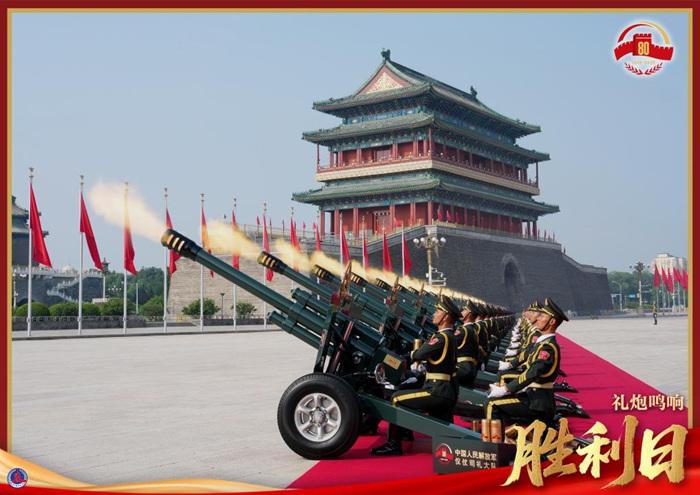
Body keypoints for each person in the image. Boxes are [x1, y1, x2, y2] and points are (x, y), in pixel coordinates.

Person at [371, 295, 460, 456]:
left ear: (446, 317)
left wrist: (406, 358)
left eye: (438, 311)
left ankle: (393, 444)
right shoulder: (451, 336)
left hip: (436, 390)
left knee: (397, 398)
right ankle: (405, 433)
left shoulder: (441, 338)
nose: (434, 314)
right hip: (446, 390)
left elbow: (418, 354)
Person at [484, 298, 568, 425]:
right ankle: (505, 433)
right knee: (496, 400)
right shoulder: (543, 344)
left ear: (552, 322)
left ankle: (494, 438)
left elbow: (532, 373)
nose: (538, 318)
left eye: (542, 316)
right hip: (534, 397)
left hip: (538, 403)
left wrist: (506, 389)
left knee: (492, 404)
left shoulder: (548, 348)